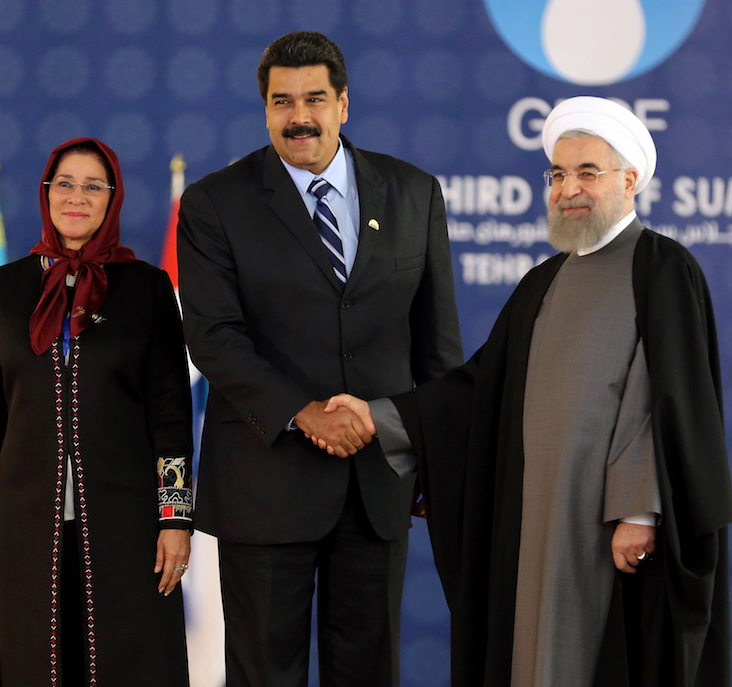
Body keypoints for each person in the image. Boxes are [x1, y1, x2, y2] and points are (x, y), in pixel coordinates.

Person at [319, 97, 732, 686]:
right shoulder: (543, 280)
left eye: (588, 173)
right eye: (558, 174)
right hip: (532, 516)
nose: (569, 189)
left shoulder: (662, 268)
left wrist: (639, 511)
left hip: (607, 524)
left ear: (630, 180)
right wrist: (381, 416)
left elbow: (661, 401)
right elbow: (477, 386)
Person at [176, 31, 463, 687]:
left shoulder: (415, 193)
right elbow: (214, 336)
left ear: (343, 104)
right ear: (266, 107)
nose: (298, 116)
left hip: (378, 484)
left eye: (313, 99)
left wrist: (432, 455)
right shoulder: (215, 202)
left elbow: (438, 347)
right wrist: (305, 413)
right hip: (263, 482)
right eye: (281, 101)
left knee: (368, 671)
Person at [0, 137, 194, 686]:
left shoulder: (148, 288)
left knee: (128, 664)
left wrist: (177, 517)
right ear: (46, 193)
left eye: (94, 186)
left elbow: (170, 412)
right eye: (65, 184)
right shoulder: (4, 288)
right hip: (24, 522)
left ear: (112, 198)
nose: (77, 197)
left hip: (129, 525)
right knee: (35, 665)